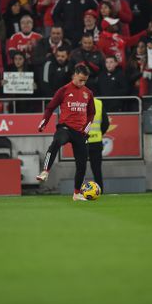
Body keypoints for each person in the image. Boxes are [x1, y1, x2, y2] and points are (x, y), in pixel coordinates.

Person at [36, 64, 95, 202]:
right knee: (57, 141)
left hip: (80, 132)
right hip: (65, 128)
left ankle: (76, 193)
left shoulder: (88, 93)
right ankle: (45, 171)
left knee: (82, 164)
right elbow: (50, 108)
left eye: (85, 80)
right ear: (74, 75)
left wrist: (87, 127)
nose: (82, 83)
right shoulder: (63, 90)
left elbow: (92, 112)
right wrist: (43, 123)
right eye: (80, 79)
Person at [87, 97, 109, 192]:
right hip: (96, 141)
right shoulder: (98, 103)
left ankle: (77, 191)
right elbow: (106, 123)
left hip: (82, 142)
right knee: (97, 170)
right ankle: (100, 191)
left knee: (80, 169)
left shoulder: (77, 103)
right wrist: (100, 133)